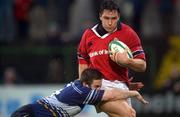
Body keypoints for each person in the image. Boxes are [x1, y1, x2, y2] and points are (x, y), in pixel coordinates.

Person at [77, 0, 146, 117]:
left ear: (118, 17)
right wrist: (84, 87)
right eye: (106, 18)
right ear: (100, 16)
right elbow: (82, 61)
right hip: (100, 85)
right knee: (128, 114)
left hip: (121, 86)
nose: (110, 22)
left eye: (113, 18)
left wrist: (128, 61)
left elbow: (142, 66)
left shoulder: (128, 33)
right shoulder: (88, 35)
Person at [11, 68, 148, 117]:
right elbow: (111, 94)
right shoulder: (82, 92)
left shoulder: (81, 83)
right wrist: (133, 93)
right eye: (96, 86)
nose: (99, 89)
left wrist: (125, 84)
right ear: (86, 84)